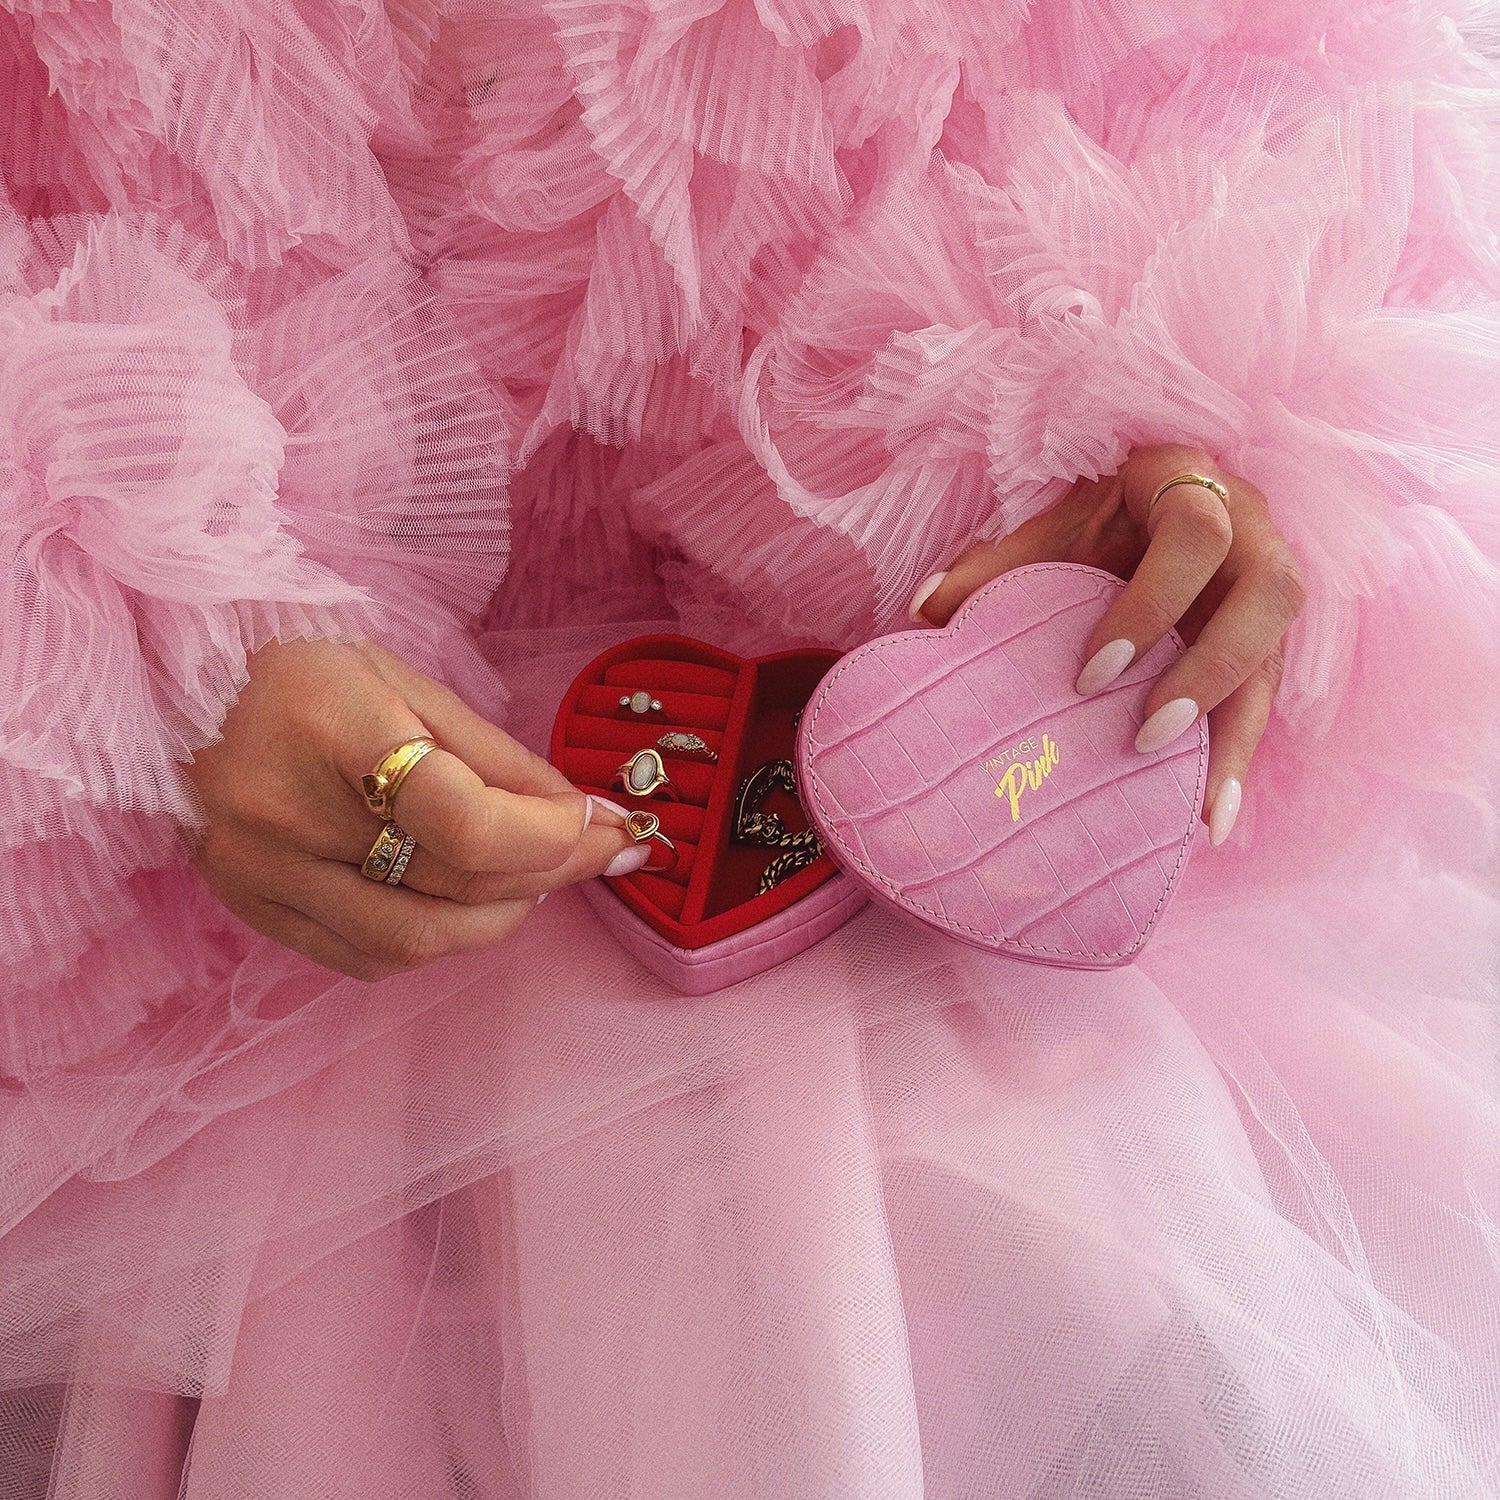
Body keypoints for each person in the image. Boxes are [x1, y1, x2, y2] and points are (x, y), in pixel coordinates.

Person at [2, 0, 1497, 1495]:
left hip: (906, 871)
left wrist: (1175, 433)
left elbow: (1228, 99)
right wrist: (143, 648)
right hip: (225, 1027)